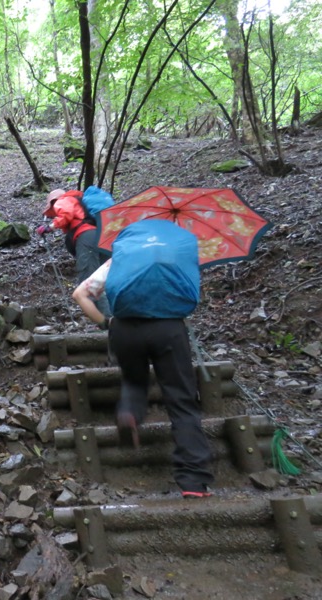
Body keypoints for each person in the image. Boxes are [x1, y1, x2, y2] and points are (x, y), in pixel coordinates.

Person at [72, 257, 215, 499]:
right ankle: (193, 481)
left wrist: (105, 323)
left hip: (124, 329)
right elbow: (192, 299)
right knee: (182, 400)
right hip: (168, 327)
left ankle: (128, 413)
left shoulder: (119, 258)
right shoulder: (176, 256)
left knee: (134, 380)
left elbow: (79, 295)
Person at [36, 188, 110, 318]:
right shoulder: (78, 202)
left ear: (53, 202)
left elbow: (66, 214)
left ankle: (108, 321)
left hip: (86, 237)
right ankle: (117, 317)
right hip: (102, 238)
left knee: (89, 281)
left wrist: (50, 227)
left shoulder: (63, 200)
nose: (53, 214)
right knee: (104, 279)